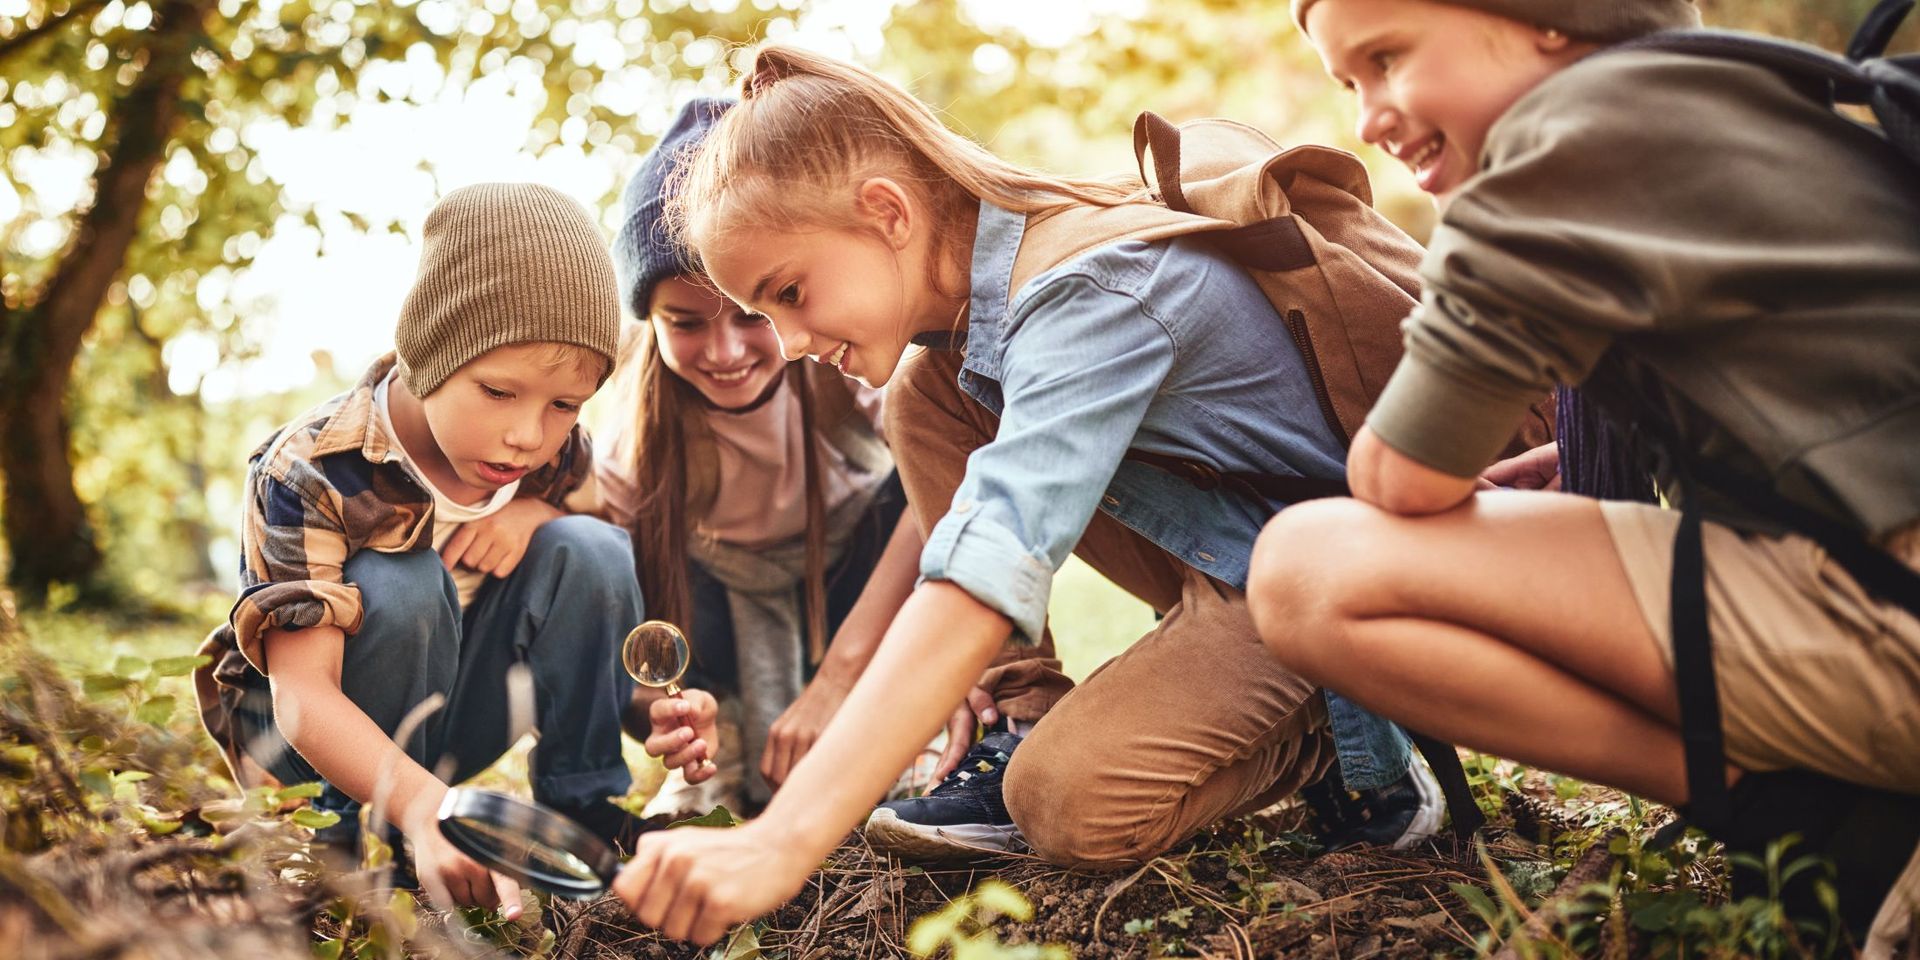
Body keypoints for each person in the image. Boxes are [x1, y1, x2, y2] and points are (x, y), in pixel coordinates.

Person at [603, 45, 1543, 946]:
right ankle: (1026, 718)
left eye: (790, 292)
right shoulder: (961, 345)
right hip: (1249, 560)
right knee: (925, 397)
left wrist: (781, 840)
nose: (793, 342)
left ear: (886, 211)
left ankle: (1354, 728)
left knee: (1069, 804)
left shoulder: (1088, 291)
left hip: (1361, 578)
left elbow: (990, 557)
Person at [1247, 0, 1920, 953]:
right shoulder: (1735, 94)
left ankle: (1796, 807)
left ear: (1552, 21)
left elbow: (1395, 478)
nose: (1368, 117)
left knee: (1310, 567)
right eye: (1349, 83)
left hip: (1893, 627)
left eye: (1389, 58)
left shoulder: (1561, 143)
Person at [192, 183, 644, 919]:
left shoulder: (547, 458)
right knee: (401, 579)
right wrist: (425, 805)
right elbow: (302, 695)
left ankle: (585, 815)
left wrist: (533, 512)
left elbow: (602, 530)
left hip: (442, 724)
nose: (529, 435)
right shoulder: (311, 470)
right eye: (498, 391)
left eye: (565, 405)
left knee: (591, 548)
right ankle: (329, 857)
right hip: (311, 749)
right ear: (431, 355)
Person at [593, 97, 936, 817]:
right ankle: (721, 754)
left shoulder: (838, 359)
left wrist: (840, 677)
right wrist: (669, 706)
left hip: (845, 593)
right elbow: (625, 607)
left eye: (752, 316)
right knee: (620, 550)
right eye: (684, 324)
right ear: (649, 322)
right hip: (719, 612)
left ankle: (900, 730)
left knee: (920, 490)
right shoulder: (632, 437)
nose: (724, 352)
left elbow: (948, 488)